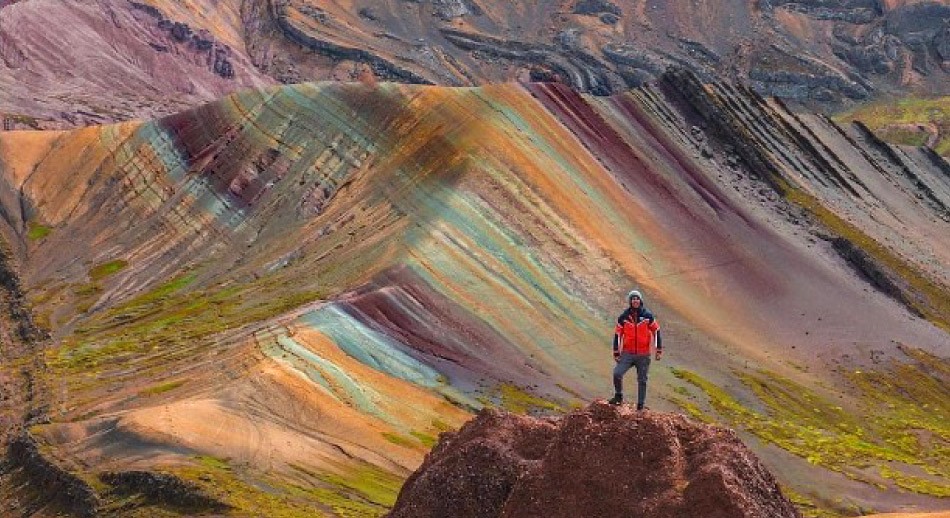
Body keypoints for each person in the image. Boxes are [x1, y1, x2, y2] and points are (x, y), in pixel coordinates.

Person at [609, 290, 663, 409]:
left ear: (640, 300)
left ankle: (640, 406)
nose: (635, 301)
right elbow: (618, 335)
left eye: (637, 298)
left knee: (642, 380)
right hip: (627, 353)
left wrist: (658, 350)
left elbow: (656, 330)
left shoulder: (647, 316)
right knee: (617, 373)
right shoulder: (624, 317)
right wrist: (616, 352)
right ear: (630, 301)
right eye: (633, 299)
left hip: (643, 355)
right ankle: (618, 396)